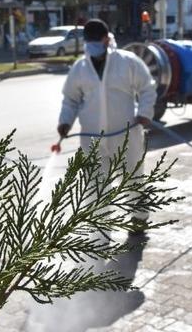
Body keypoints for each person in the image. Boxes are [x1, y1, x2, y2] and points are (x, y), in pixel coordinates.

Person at [57, 19, 157, 233]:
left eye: (96, 41)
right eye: (89, 42)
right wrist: (65, 121)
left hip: (126, 134)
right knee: (95, 183)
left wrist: (144, 113)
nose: (92, 46)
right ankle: (100, 226)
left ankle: (139, 218)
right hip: (92, 137)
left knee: (132, 178)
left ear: (106, 39)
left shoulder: (127, 62)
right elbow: (71, 99)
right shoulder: (80, 68)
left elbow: (147, 88)